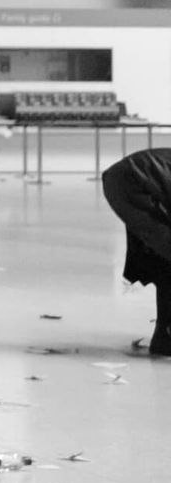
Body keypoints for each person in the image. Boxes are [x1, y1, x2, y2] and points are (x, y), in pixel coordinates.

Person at [100, 148, 171, 355]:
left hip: (128, 180)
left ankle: (165, 337)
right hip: (133, 183)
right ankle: (165, 337)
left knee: (163, 259)